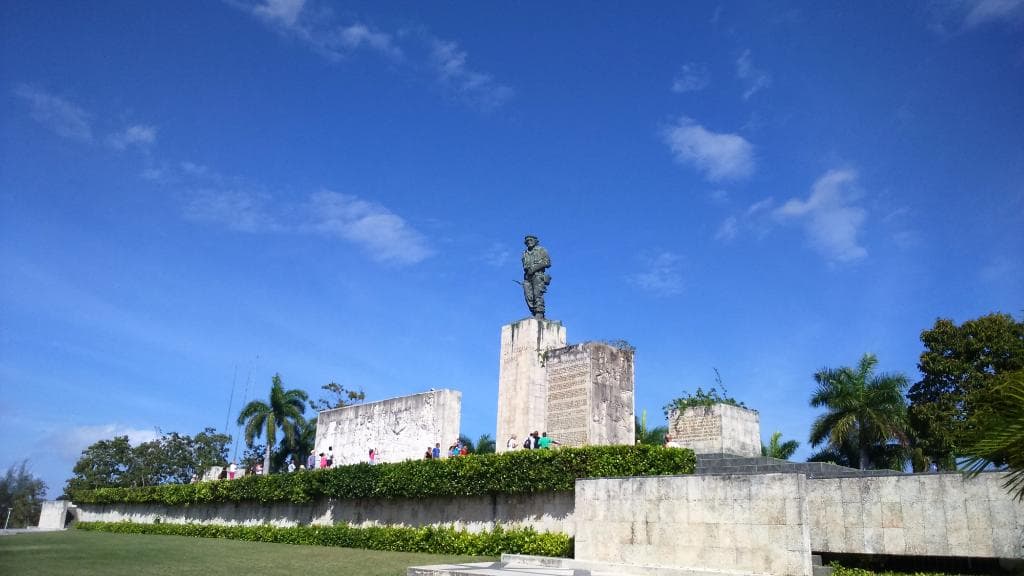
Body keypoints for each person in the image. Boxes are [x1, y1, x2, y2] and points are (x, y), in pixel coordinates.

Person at [521, 235, 551, 319]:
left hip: (538, 275)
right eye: (527, 241)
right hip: (527, 277)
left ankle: (539, 312)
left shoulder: (541, 250)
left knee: (537, 293)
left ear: (535, 241)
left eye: (531, 240)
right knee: (528, 296)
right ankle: (534, 311)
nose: (529, 242)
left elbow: (547, 262)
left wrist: (534, 268)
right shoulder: (524, 253)